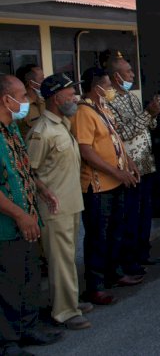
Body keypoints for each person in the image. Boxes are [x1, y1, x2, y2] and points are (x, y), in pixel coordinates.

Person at [0, 74, 64, 354]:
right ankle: (8, 341)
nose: (27, 101)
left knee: (29, 275)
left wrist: (42, 189)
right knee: (8, 284)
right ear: (6, 99)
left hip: (26, 219)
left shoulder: (11, 129)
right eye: (23, 96)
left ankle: (28, 327)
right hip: (7, 225)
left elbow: (24, 168)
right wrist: (19, 215)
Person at [72, 67, 143, 305]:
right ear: (96, 87)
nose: (112, 89)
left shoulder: (101, 108)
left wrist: (128, 162)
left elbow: (115, 140)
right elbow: (86, 150)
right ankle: (95, 286)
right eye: (108, 85)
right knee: (97, 237)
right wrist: (116, 171)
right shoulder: (83, 112)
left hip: (116, 182)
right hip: (98, 186)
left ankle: (113, 274)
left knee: (115, 231)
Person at [26, 73, 92, 331]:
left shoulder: (62, 124)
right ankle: (64, 312)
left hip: (71, 202)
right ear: (55, 98)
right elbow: (27, 171)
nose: (74, 97)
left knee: (68, 256)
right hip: (55, 208)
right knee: (60, 260)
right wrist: (44, 192)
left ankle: (70, 300)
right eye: (69, 93)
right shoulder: (41, 131)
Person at [107, 56, 160, 270]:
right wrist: (147, 114)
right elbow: (122, 133)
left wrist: (153, 112)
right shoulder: (110, 102)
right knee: (130, 215)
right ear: (116, 76)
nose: (132, 75)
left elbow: (146, 124)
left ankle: (143, 252)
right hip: (129, 167)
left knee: (145, 212)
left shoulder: (131, 97)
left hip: (146, 163)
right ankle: (129, 260)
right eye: (129, 72)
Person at [14, 64, 46, 139]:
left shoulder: (45, 102)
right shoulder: (20, 108)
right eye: (42, 79)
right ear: (31, 84)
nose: (45, 82)